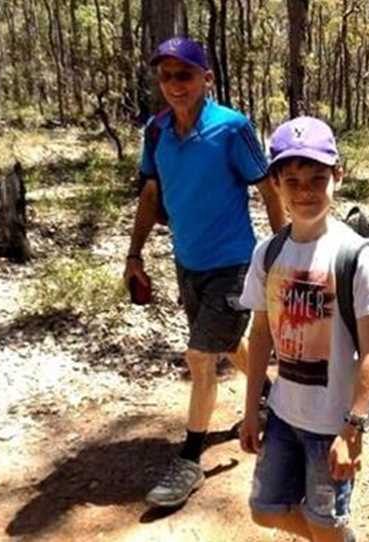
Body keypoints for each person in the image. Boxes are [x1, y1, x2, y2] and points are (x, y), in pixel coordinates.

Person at [123, 37, 286, 507]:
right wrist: (134, 254)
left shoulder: (232, 128)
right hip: (187, 265)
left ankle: (190, 459)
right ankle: (269, 394)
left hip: (233, 264)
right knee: (221, 343)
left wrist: (280, 253)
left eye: (185, 75)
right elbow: (152, 197)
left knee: (199, 357)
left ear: (206, 79)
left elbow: (269, 191)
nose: (175, 85)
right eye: (166, 75)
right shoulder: (155, 132)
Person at [238, 116, 369, 542]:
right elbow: (259, 337)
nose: (305, 191)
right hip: (284, 417)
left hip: (331, 425)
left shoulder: (354, 257)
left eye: (317, 178)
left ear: (337, 177)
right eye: (292, 180)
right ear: (276, 184)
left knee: (324, 524)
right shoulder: (268, 253)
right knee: (264, 510)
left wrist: (352, 429)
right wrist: (251, 408)